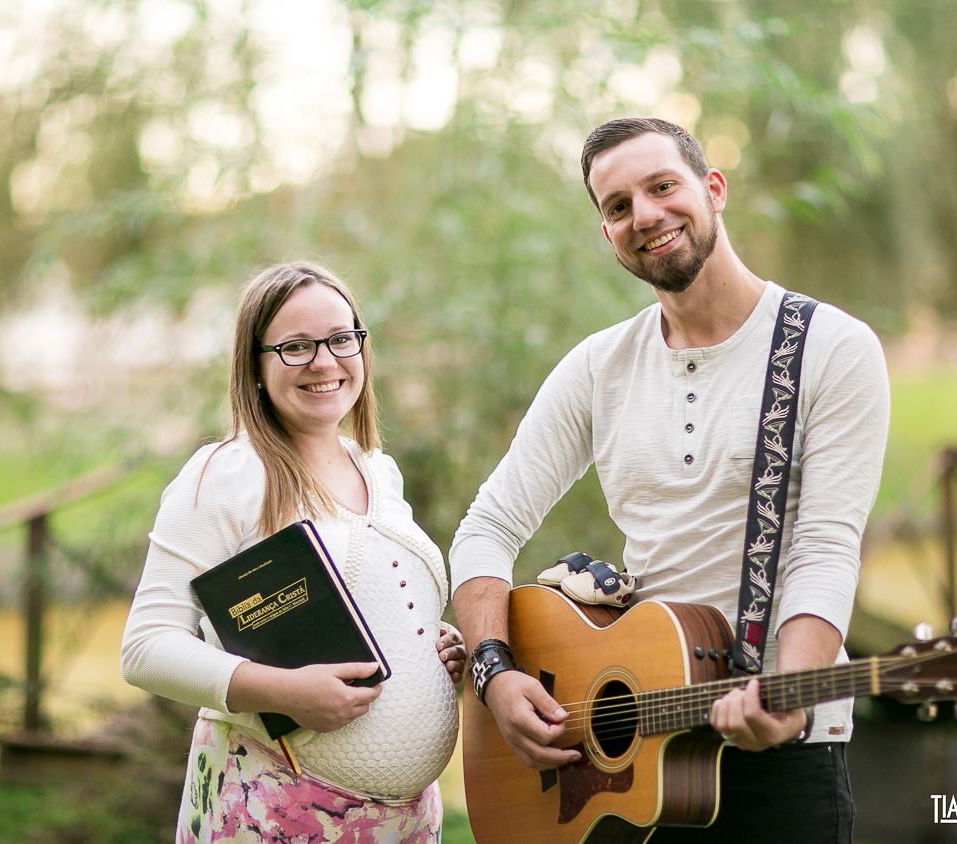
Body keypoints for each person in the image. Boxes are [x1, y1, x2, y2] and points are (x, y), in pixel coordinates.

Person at [450, 118, 889, 843]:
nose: (644, 216)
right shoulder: (598, 367)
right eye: (617, 206)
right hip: (623, 768)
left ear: (713, 189)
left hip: (780, 763)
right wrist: (493, 673)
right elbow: (487, 528)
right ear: (607, 234)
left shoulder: (831, 350)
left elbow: (825, 550)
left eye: (662, 187)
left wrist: (788, 697)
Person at [121, 261, 465, 844]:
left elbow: (387, 606)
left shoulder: (377, 469)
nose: (325, 362)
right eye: (296, 347)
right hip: (274, 810)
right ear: (254, 364)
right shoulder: (224, 473)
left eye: (340, 338)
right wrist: (286, 694)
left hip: (403, 822)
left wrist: (434, 649)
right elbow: (145, 647)